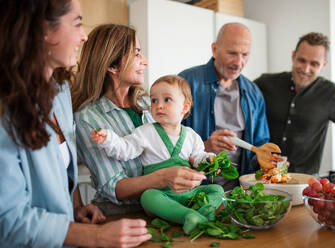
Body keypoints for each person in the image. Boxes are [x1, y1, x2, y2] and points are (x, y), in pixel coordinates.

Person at [0, 0, 152, 247]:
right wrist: (97, 236)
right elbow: (8, 221)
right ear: (43, 30)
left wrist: (76, 208)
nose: (84, 37)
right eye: (78, 24)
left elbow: (60, 174)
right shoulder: (5, 106)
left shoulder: (59, 92)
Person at [72, 24, 206, 216]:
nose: (145, 61)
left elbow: (172, 146)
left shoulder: (149, 103)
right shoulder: (87, 118)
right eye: (137, 54)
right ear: (112, 65)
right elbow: (114, 186)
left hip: (169, 208)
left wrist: (202, 157)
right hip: (120, 216)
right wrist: (162, 178)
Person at [90, 75, 224, 234]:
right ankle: (187, 215)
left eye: (167, 100)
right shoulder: (145, 132)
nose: (158, 105)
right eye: (154, 100)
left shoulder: (191, 135)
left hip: (190, 194)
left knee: (217, 189)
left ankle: (201, 213)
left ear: (185, 107)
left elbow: (198, 157)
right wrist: (108, 138)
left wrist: (209, 160)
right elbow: (125, 148)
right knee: (148, 197)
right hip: (162, 194)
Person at [254, 32, 335, 174]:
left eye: (314, 64)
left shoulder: (330, 94)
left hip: (304, 181)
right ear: (293, 56)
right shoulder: (265, 83)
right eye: (302, 60)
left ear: (324, 64)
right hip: (260, 173)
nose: (305, 69)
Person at [179, 22, 270, 190]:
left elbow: (260, 145)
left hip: (239, 193)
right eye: (232, 53)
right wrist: (204, 146)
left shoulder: (253, 93)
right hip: (194, 192)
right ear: (214, 49)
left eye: (245, 54)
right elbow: (164, 144)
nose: (239, 62)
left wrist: (267, 161)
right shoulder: (185, 82)